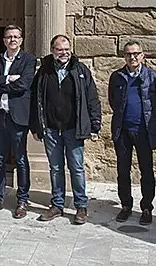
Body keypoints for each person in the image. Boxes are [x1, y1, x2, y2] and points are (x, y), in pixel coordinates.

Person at [31, 34, 101, 225]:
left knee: (77, 168)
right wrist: (36, 126)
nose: (64, 53)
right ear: (53, 51)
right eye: (60, 49)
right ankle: (57, 204)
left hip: (73, 129)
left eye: (67, 49)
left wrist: (95, 124)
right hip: (51, 129)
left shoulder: (80, 70)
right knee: (55, 168)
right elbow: (35, 99)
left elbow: (92, 98)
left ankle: (81, 206)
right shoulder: (44, 72)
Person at [0, 25, 36, 219]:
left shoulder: (29, 60)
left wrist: (0, 85)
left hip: (18, 118)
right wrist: (8, 78)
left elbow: (24, 85)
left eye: (16, 37)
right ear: (4, 40)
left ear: (21, 39)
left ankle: (22, 200)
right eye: (9, 37)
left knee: (20, 159)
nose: (12, 40)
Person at [108, 40, 156, 225]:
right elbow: (113, 101)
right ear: (124, 57)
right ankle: (126, 205)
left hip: (144, 131)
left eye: (135, 54)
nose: (132, 57)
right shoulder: (117, 77)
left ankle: (147, 207)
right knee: (123, 170)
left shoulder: (153, 77)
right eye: (128, 54)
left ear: (142, 55)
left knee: (146, 170)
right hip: (123, 131)